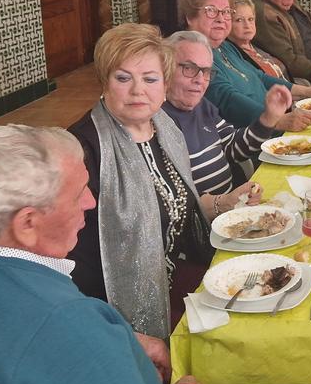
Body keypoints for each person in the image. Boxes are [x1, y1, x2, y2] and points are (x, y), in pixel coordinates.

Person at [0, 124, 308, 384]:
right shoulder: (61, 324)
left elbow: (24, 347)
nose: (91, 202)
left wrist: (122, 342)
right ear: (27, 223)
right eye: (79, 193)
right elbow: (56, 338)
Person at [68, 23, 261, 338]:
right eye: (122, 78)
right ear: (104, 81)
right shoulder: (84, 150)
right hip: (116, 306)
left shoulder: (165, 128)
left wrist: (229, 202)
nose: (138, 91)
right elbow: (76, 260)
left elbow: (175, 207)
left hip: (175, 271)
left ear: (164, 82)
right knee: (239, 330)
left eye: (150, 79)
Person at [181, 0, 311, 128]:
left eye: (226, 12)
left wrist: (308, 91)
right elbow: (227, 99)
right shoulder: (191, 55)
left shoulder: (225, 46)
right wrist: (276, 121)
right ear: (190, 17)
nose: (221, 19)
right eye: (211, 11)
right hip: (251, 136)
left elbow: (260, 77)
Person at [161, 30, 284, 197]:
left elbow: (233, 147)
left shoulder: (202, 106)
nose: (199, 79)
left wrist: (268, 118)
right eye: (189, 68)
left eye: (206, 71)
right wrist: (222, 204)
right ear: (165, 68)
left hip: (230, 210)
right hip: (201, 220)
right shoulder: (155, 119)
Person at [228, 0, 289, 80]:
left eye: (250, 19)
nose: (247, 25)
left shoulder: (261, 47)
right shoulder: (230, 57)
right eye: (239, 20)